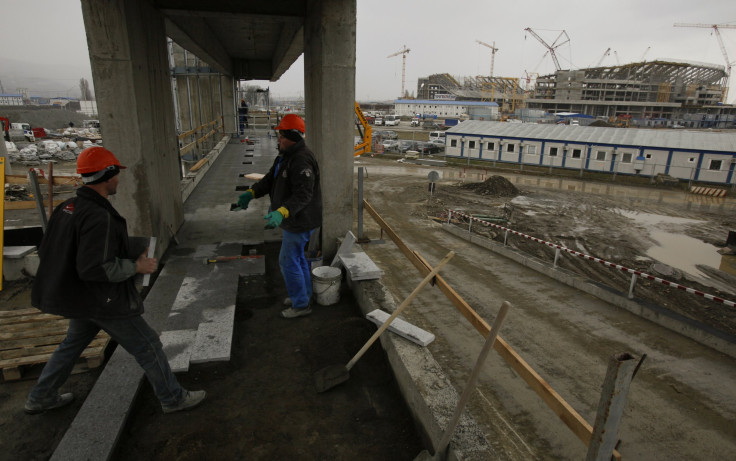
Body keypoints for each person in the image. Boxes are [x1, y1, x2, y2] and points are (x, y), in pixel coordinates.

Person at [24, 146, 205, 415]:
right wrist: (137, 265)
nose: (119, 179)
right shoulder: (99, 216)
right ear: (107, 175)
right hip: (101, 299)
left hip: (78, 297)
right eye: (116, 174)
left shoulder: (67, 208)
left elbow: (65, 252)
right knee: (148, 345)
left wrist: (128, 252)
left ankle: (41, 397)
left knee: (71, 346)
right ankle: (173, 398)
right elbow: (95, 268)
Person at [236, 114, 322, 319]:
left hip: (301, 220)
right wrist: (251, 193)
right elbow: (269, 180)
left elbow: (304, 194)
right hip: (294, 219)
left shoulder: (301, 159)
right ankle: (303, 295)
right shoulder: (285, 156)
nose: (278, 139)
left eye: (281, 135)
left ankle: (301, 305)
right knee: (297, 257)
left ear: (291, 136)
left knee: (287, 260)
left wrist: (282, 211)